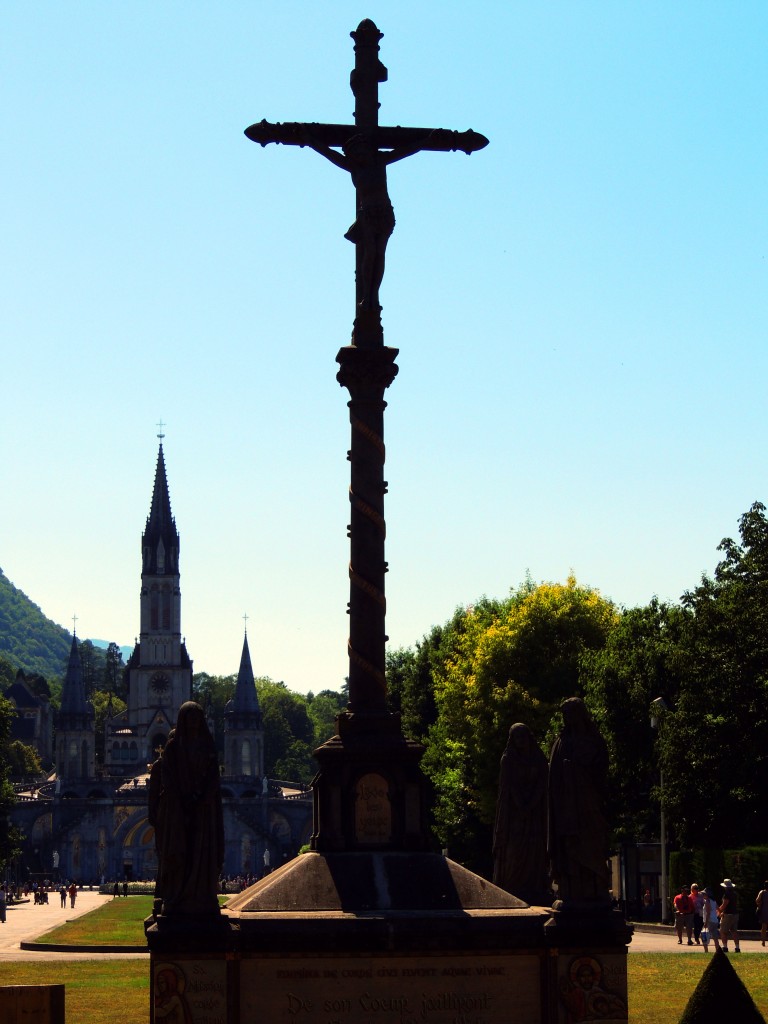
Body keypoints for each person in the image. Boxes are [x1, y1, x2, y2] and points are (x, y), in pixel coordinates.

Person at [149, 701, 224, 916]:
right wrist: (184, 798)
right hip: (178, 809)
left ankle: (200, 895)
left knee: (202, 851)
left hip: (202, 808)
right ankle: (174, 895)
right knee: (176, 852)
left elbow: (213, 778)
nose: (193, 721)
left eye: (197, 717)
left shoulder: (207, 747)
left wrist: (201, 797)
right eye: (189, 717)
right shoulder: (173, 748)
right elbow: (167, 777)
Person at [548, 698, 611, 905]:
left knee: (591, 843)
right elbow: (553, 776)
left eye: (569, 714)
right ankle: (571, 887)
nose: (566, 719)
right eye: (564, 715)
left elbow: (601, 770)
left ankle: (594, 886)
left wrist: (577, 769)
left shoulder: (593, 740)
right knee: (569, 846)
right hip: (567, 806)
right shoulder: (561, 741)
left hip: (588, 804)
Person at [492, 722, 549, 903]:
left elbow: (543, 782)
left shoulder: (538, 758)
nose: (520, 741)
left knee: (534, 849)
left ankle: (534, 886)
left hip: (534, 813)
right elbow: (508, 786)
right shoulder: (508, 758)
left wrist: (531, 803)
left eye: (523, 736)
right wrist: (521, 804)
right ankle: (511, 887)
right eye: (516, 737)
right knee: (513, 851)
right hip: (514, 814)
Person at [719, 878, 740, 953]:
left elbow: (724, 904)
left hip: (728, 914)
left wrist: (718, 911)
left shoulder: (726, 894)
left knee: (723, 931)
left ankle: (725, 947)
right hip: (735, 914)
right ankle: (737, 947)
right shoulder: (734, 894)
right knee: (734, 931)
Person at [701, 886, 721, 953]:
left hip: (709, 921)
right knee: (715, 937)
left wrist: (706, 922)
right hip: (715, 921)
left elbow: (708, 913)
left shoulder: (707, 901)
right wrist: (716, 916)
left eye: (704, 894)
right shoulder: (714, 901)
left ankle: (706, 951)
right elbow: (718, 909)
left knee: (704, 935)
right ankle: (718, 951)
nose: (703, 895)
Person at [755, 881, 768, 946]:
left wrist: (760, 905)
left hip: (764, 911)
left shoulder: (762, 892)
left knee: (764, 927)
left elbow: (757, 900)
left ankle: (763, 941)